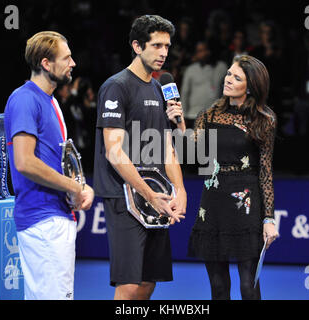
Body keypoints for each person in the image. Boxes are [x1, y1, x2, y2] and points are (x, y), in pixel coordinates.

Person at [93, 15, 187, 300]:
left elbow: (166, 147)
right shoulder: (116, 86)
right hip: (124, 197)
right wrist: (147, 193)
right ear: (137, 46)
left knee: (148, 281)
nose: (164, 53)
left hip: (155, 195)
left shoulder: (160, 89)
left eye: (167, 46)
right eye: (156, 45)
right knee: (130, 283)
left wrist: (179, 189)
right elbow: (113, 151)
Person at [4, 31, 94, 300]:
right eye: (66, 58)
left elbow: (61, 161)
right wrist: (73, 187)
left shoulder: (51, 101)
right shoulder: (25, 99)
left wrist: (80, 186)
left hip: (56, 215)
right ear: (46, 63)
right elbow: (24, 162)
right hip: (42, 218)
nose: (73, 63)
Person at [188, 55, 278, 300]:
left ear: (250, 86)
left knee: (248, 286)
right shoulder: (208, 116)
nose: (228, 79)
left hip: (246, 202)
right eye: (229, 73)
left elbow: (266, 170)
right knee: (218, 287)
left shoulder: (264, 119)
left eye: (236, 77)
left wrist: (269, 217)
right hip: (213, 202)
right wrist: (176, 123)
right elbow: (193, 156)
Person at [181, 41, 228, 129]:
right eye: (200, 51)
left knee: (213, 142)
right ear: (196, 54)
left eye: (205, 50)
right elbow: (185, 93)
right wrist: (183, 115)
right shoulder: (190, 70)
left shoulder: (222, 67)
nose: (203, 53)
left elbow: (227, 92)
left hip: (215, 116)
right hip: (194, 115)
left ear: (210, 51)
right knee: (196, 142)